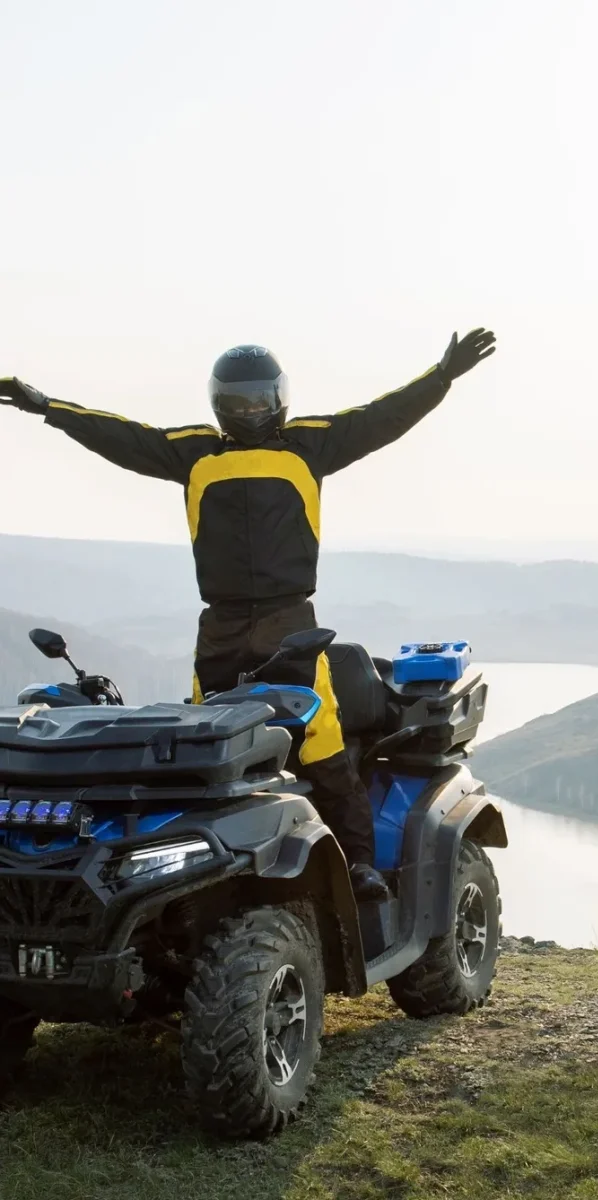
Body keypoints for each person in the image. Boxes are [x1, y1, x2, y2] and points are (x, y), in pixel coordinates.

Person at [0, 328, 497, 901]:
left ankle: (359, 865)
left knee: (319, 740)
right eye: (238, 401)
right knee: (199, 748)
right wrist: (50, 409)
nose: (250, 410)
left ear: (279, 399)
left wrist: (440, 377)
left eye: (258, 399)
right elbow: (122, 436)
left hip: (292, 624)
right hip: (221, 627)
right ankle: (195, 875)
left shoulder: (311, 444)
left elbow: (381, 417)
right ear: (219, 405)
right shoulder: (194, 452)